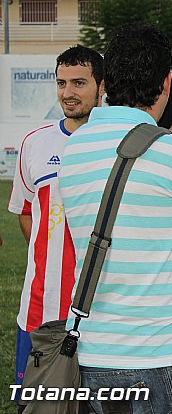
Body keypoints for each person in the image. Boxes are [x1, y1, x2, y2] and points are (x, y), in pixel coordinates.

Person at [58, 24, 172, 413]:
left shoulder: (73, 148)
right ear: (167, 83)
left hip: (88, 354)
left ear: (106, 83)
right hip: (158, 357)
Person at [7, 45, 103, 399]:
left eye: (79, 82)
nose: (68, 93)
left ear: (102, 86)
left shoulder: (117, 144)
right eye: (61, 83)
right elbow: (26, 212)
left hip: (103, 313)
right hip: (40, 309)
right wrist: (50, 251)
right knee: (39, 407)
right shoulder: (34, 143)